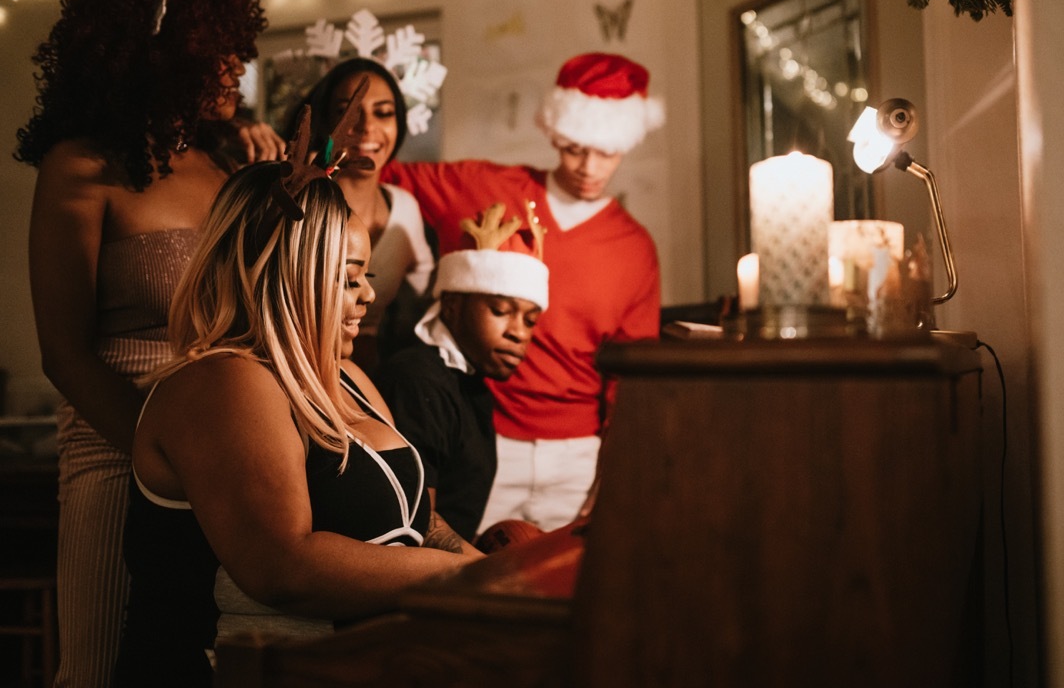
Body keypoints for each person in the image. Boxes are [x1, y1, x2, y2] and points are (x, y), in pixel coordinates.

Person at [13, 0, 284, 688]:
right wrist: (164, 456)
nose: (238, 65)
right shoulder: (82, 168)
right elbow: (64, 353)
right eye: (220, 49)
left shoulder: (226, 159)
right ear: (163, 53)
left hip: (229, 442)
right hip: (116, 442)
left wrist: (277, 185)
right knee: (98, 668)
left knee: (209, 659)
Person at [113, 153, 481, 686]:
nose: (369, 295)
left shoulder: (350, 375)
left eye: (368, 275)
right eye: (350, 277)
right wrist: (461, 577)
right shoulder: (226, 381)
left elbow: (419, 524)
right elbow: (284, 566)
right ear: (292, 275)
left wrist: (507, 576)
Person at [381, 52, 664, 532]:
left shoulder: (635, 248)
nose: (589, 167)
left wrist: (615, 465)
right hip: (485, 436)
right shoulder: (485, 186)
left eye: (607, 151)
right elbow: (373, 171)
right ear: (555, 133)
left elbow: (631, 377)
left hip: (579, 456)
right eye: (575, 147)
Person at [375, 201, 549, 541]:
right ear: (453, 306)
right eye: (500, 310)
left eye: (530, 320)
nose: (520, 332)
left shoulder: (472, 384)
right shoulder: (417, 380)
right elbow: (417, 525)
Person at [298, 57, 435, 372]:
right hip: (302, 366)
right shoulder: (302, 198)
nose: (367, 128)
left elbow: (427, 297)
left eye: (383, 113)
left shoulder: (405, 208)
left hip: (370, 374)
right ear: (323, 122)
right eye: (348, 112)